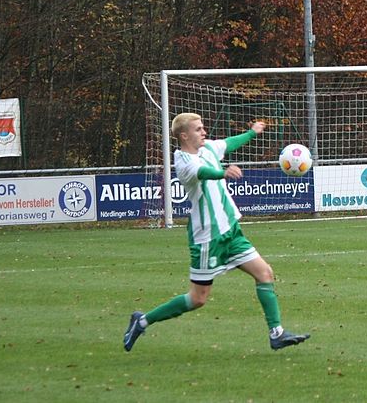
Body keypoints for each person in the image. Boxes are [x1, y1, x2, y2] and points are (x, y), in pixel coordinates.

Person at [123, 113, 309, 351]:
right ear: (184, 136)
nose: (204, 132)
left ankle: (277, 334)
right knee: (197, 299)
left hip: (231, 230)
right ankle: (142, 321)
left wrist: (252, 132)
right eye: (198, 129)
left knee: (264, 273)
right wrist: (223, 173)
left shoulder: (208, 148)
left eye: (203, 128)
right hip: (208, 238)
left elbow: (228, 143)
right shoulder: (183, 162)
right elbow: (203, 173)